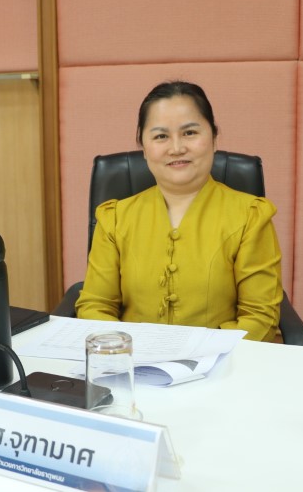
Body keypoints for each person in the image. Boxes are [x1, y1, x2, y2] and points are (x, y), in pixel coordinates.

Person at [75, 81, 282, 342]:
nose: (176, 148)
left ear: (214, 138)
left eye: (190, 133)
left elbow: (260, 317)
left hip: (220, 361)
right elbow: (95, 306)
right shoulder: (114, 218)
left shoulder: (251, 216)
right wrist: (131, 352)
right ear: (143, 147)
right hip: (132, 360)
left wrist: (202, 353)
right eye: (161, 136)